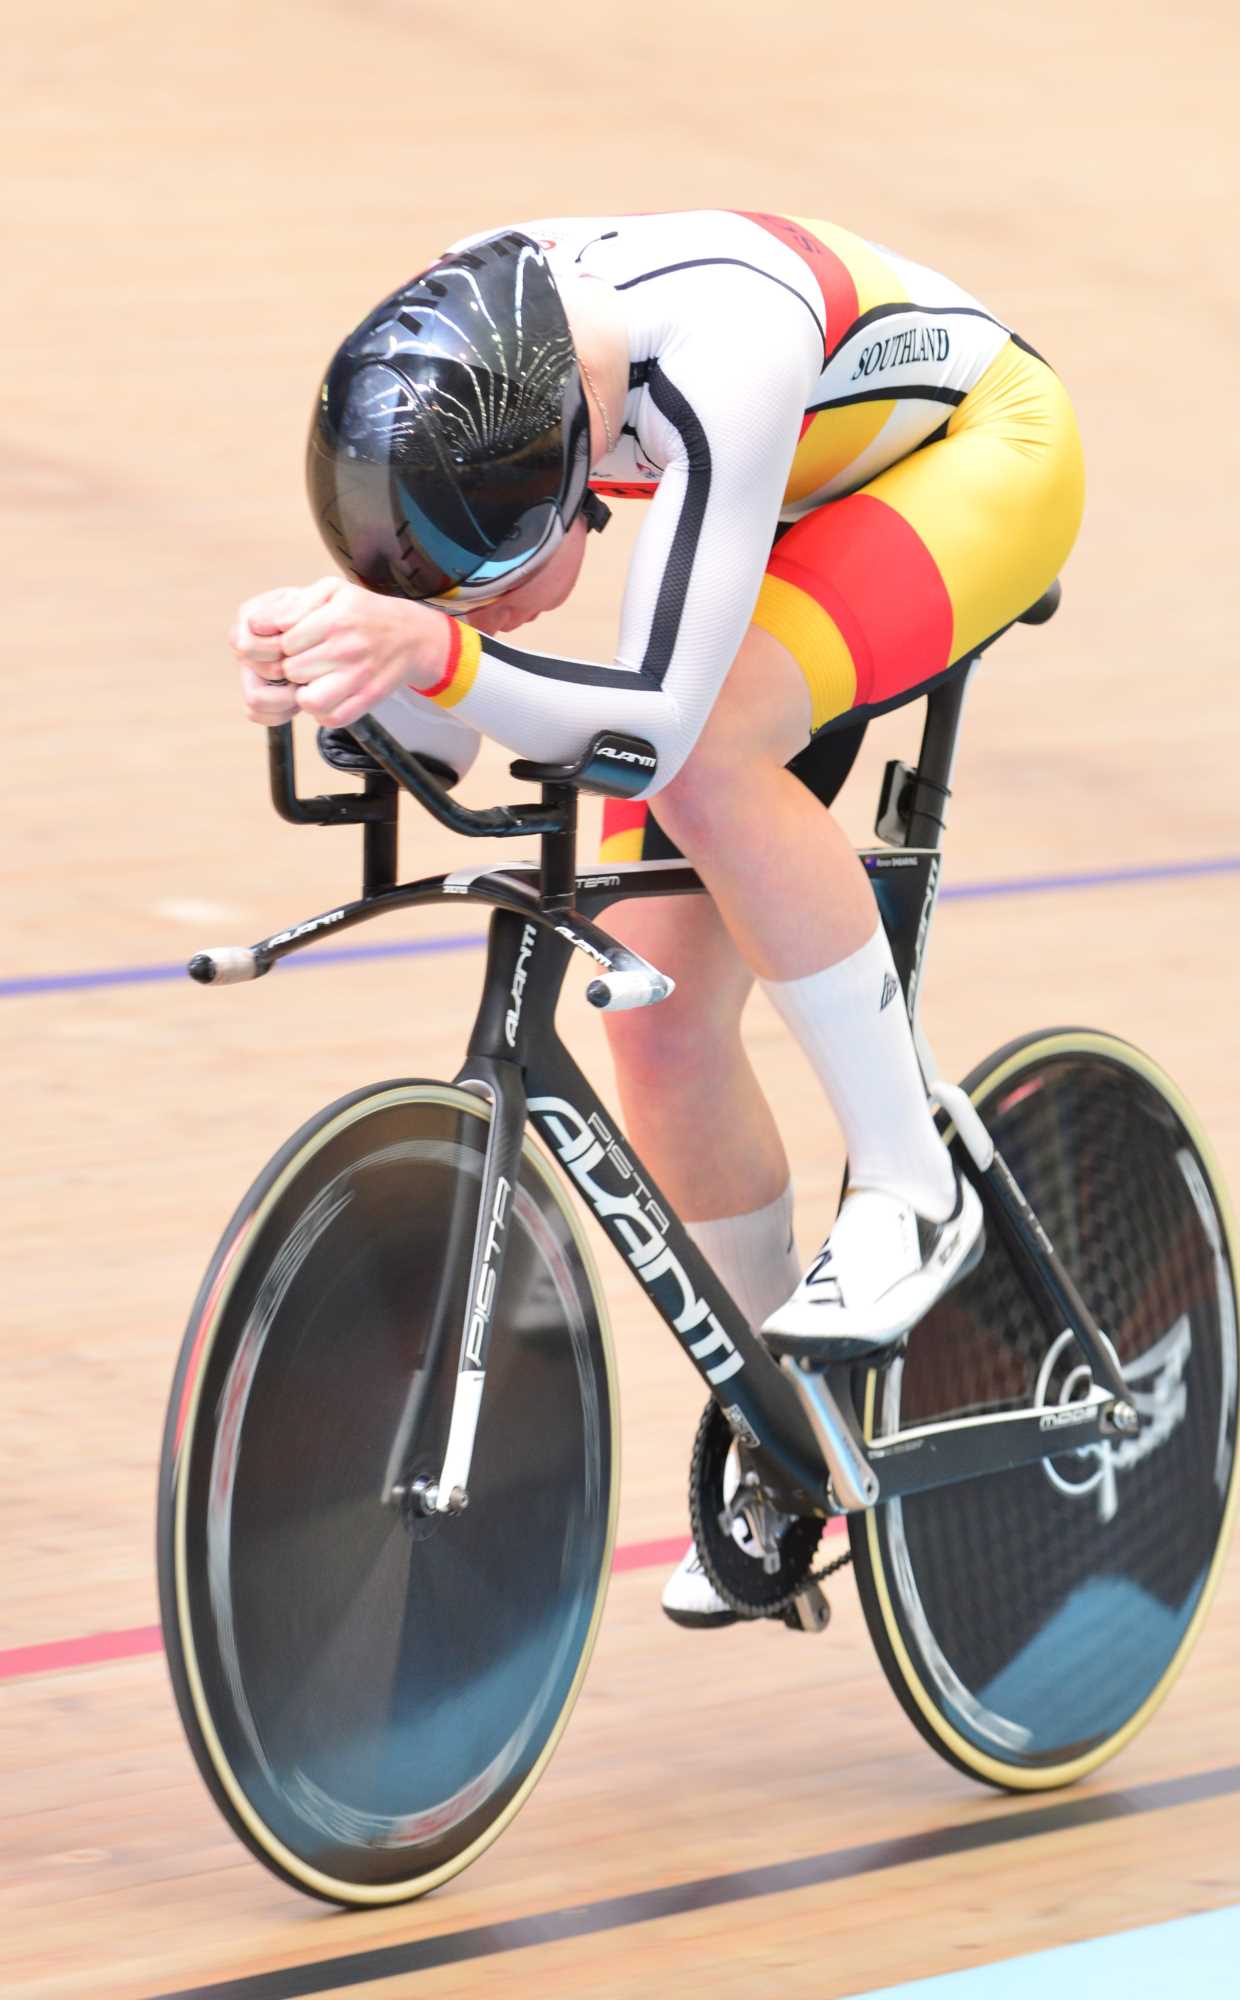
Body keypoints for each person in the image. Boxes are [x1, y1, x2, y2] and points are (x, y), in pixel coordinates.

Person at [231, 210, 1084, 1627]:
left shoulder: (720, 356)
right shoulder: (466, 365)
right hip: (781, 493)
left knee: (705, 753)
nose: (454, 602)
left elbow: (647, 731)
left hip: (975, 458)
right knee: (663, 1021)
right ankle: (787, 1432)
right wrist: (338, 675)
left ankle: (910, 1179)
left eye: (471, 579)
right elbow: (457, 637)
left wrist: (434, 653)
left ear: (563, 489)